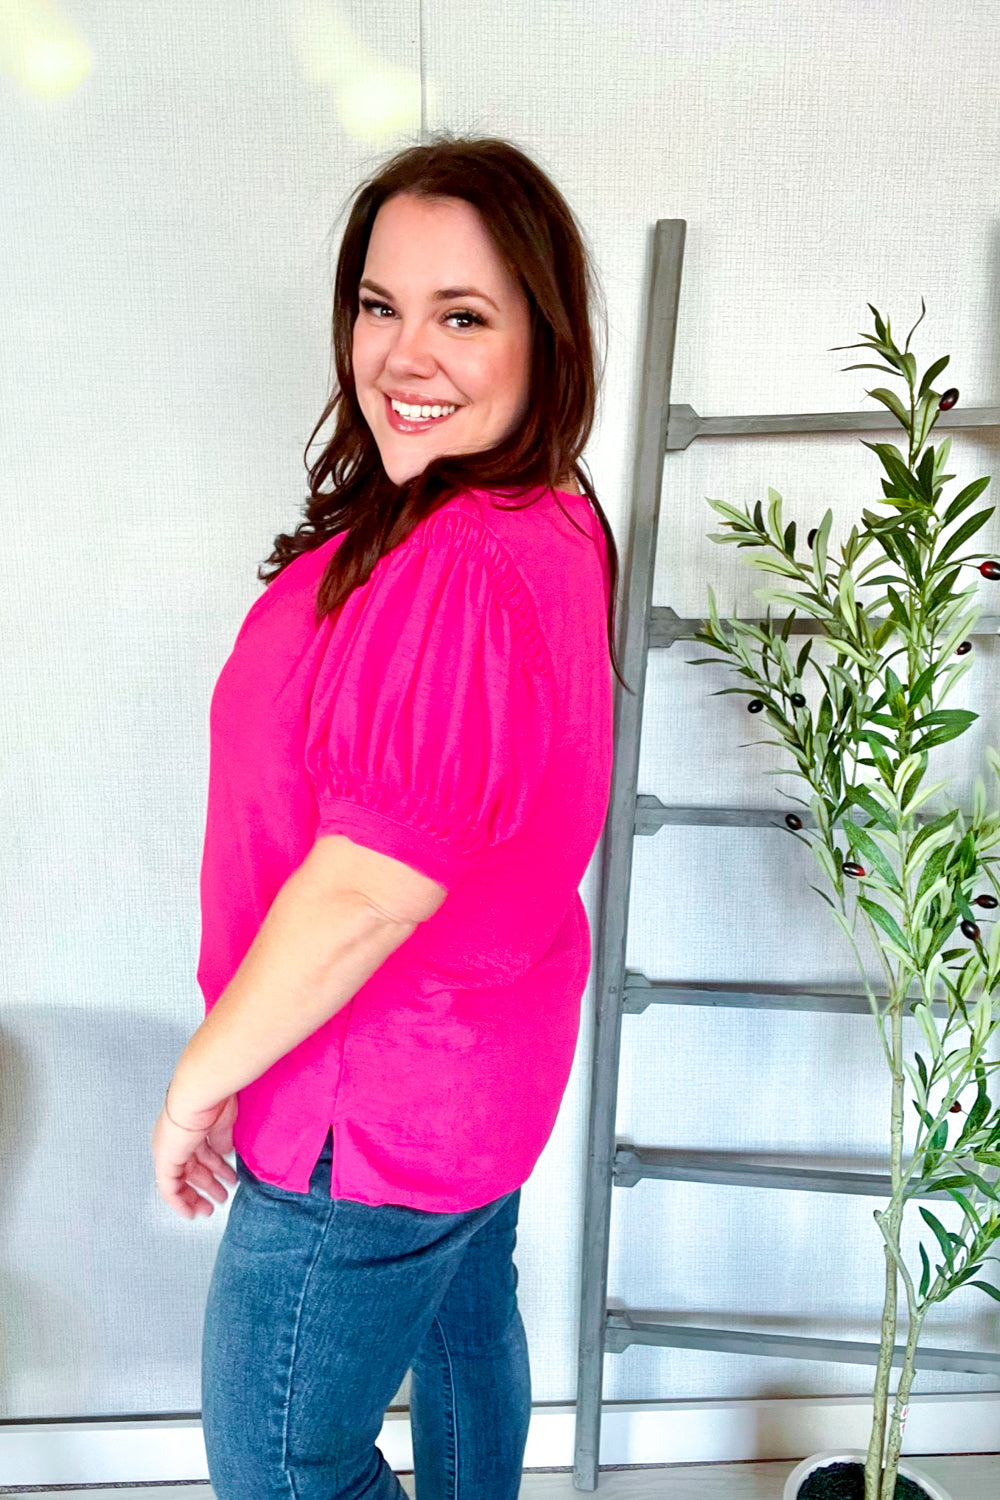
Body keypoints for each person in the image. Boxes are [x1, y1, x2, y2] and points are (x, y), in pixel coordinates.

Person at [149, 133, 627, 1500]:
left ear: (544, 337)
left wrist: (197, 1086)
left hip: (365, 1101)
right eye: (379, 305)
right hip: (481, 1071)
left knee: (284, 1468)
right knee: (470, 1337)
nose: (403, 356)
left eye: (461, 316)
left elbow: (370, 889)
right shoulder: (543, 512)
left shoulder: (463, 557)